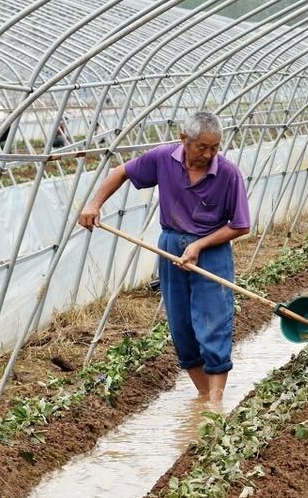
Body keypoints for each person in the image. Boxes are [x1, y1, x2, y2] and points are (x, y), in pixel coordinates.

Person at [78, 111, 250, 405]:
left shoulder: (228, 174)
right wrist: (94, 203)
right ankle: (204, 395)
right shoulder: (162, 159)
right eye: (202, 147)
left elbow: (240, 225)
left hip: (211, 252)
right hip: (171, 247)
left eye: (215, 147)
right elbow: (122, 172)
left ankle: (216, 401)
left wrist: (199, 246)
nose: (209, 154)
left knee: (214, 322)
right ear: (184, 139)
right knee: (181, 325)